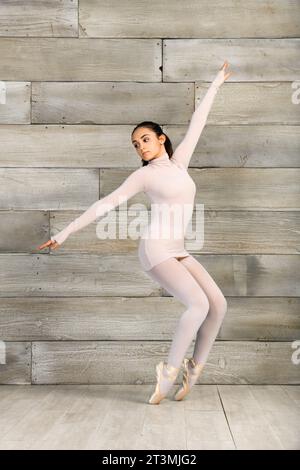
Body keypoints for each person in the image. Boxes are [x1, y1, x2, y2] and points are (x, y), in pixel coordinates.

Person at [38, 61, 232, 405]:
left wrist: (216, 83)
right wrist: (65, 232)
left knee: (218, 303)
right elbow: (105, 204)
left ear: (161, 139)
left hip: (179, 249)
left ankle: (194, 368)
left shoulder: (180, 163)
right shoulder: (144, 176)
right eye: (135, 144)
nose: (140, 146)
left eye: (145, 139)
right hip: (156, 250)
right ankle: (167, 372)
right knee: (198, 304)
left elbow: (197, 122)